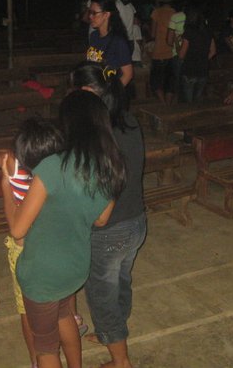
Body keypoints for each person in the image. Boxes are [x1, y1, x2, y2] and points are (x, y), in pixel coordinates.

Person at [0, 90, 123, 368]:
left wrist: (6, 186)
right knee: (65, 315)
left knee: (45, 346)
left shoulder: (53, 166)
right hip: (76, 265)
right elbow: (101, 220)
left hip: (43, 272)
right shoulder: (109, 167)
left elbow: (18, 230)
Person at [69, 62, 145, 368]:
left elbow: (99, 195)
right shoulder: (128, 120)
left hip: (110, 229)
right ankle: (111, 333)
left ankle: (120, 360)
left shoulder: (99, 133)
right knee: (120, 280)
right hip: (136, 220)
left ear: (88, 92)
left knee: (102, 296)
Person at [0, 118, 67, 368]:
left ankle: (36, 361)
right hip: (56, 244)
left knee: (27, 310)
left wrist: (6, 177)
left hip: (25, 248)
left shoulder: (14, 168)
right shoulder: (62, 170)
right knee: (61, 302)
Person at [86, 0, 134, 87]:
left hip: (108, 90)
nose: (90, 16)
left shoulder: (118, 41)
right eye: (90, 12)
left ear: (106, 14)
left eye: (94, 13)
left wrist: (113, 92)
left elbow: (128, 74)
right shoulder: (93, 36)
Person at [178, 7, 217, 104]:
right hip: (203, 69)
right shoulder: (208, 31)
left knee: (188, 102)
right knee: (197, 100)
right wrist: (203, 59)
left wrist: (177, 44)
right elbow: (213, 51)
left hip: (189, 70)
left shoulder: (189, 32)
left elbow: (181, 55)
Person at [149, 0, 177, 104]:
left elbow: (153, 34)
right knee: (170, 82)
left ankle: (163, 103)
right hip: (171, 53)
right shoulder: (175, 13)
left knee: (156, 82)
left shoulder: (156, 12)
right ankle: (168, 105)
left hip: (158, 53)